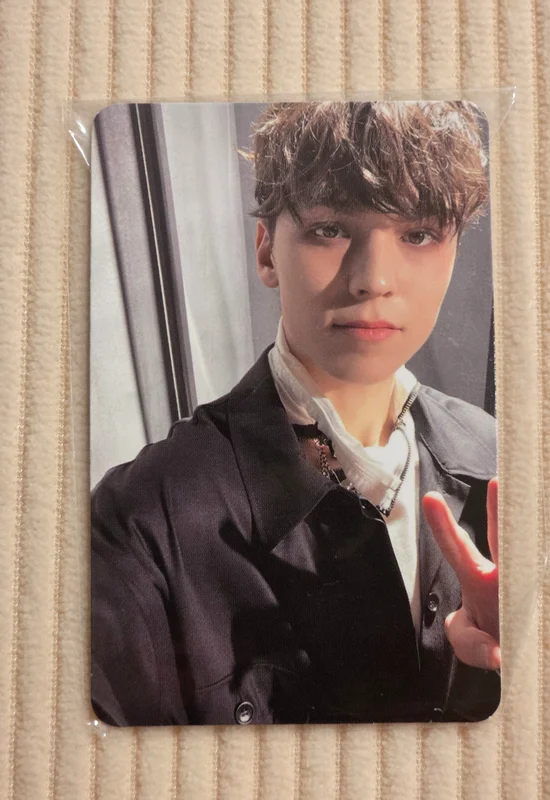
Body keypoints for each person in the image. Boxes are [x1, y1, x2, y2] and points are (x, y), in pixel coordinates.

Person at [91, 101, 500, 726]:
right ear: (266, 252)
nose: (374, 279)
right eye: (330, 229)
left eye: (417, 234)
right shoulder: (139, 523)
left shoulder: (498, 457)